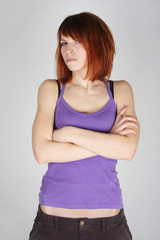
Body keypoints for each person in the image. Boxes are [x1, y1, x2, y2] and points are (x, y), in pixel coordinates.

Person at [29, 12, 140, 240]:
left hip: (108, 226)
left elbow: (127, 150)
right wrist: (109, 139)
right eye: (64, 42)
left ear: (98, 43)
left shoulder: (120, 90)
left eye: (78, 41)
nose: (68, 50)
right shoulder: (51, 89)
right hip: (53, 225)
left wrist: (70, 133)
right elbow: (42, 152)